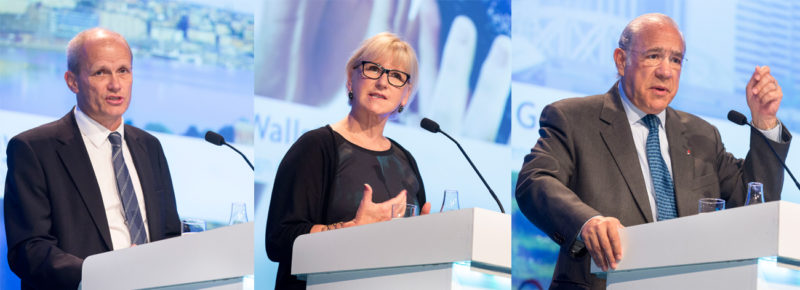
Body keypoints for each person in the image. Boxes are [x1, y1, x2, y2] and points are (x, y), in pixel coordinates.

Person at [515, 13, 791, 290]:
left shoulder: (702, 135)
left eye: (675, 60)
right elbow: (535, 180)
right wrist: (587, 222)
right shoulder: (573, 118)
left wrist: (765, 121)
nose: (666, 71)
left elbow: (755, 204)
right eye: (653, 56)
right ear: (621, 61)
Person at [4, 28, 181, 289]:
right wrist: (103, 273)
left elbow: (168, 233)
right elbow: (29, 249)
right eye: (101, 72)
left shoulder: (149, 146)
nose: (115, 84)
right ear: (72, 81)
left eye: (123, 70)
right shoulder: (33, 149)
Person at [265, 32, 432, 290]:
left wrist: (427, 237)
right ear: (350, 80)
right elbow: (279, 240)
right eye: (373, 69)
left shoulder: (405, 161)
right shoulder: (316, 147)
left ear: (406, 95)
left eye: (396, 76)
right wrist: (350, 229)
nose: (383, 82)